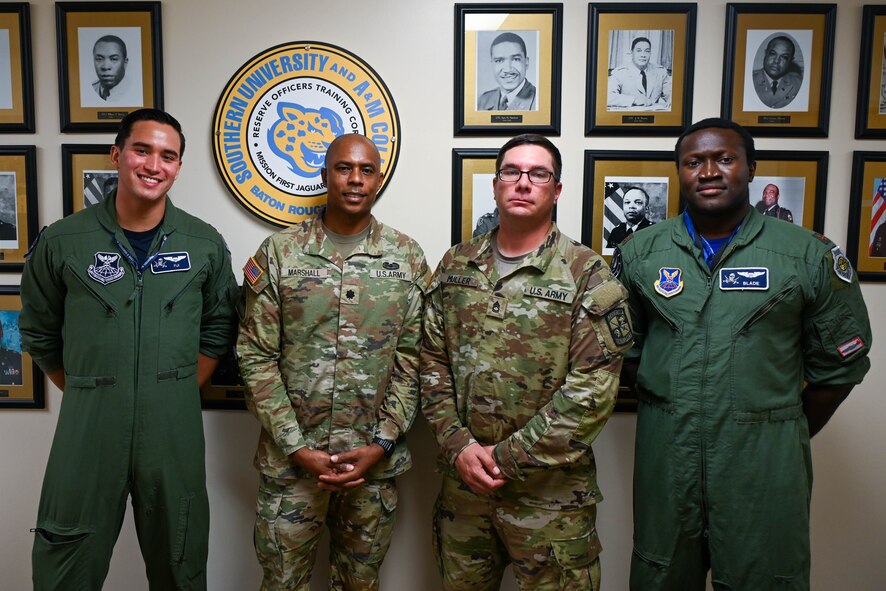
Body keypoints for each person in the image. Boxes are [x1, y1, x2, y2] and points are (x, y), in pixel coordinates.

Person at [614, 118, 872, 590]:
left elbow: (840, 366)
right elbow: (624, 351)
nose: (708, 171)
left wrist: (777, 428)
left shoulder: (806, 255)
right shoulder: (640, 254)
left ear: (751, 168)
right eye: (694, 162)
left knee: (764, 580)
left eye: (724, 159)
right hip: (668, 460)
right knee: (661, 577)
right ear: (679, 173)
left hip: (764, 466)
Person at [20, 108, 238, 590]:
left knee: (180, 561)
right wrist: (87, 386)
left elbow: (219, 329)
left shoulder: (203, 245)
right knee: (66, 565)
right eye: (142, 150)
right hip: (89, 426)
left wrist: (176, 389)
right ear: (117, 155)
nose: (153, 165)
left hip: (172, 430)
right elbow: (36, 330)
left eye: (168, 156)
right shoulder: (64, 241)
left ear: (178, 167)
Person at [422, 134, 632, 590]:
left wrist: (506, 458)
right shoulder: (457, 265)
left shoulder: (587, 273)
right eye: (511, 172)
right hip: (465, 492)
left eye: (538, 174)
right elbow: (430, 362)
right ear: (496, 185)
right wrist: (458, 446)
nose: (523, 182)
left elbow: (591, 391)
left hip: (550, 499)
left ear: (556, 190)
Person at [237, 133, 429, 591]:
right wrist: (296, 446)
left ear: (379, 179)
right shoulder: (279, 253)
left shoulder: (406, 257)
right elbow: (255, 356)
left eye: (366, 170)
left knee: (359, 585)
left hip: (372, 467)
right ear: (325, 175)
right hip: (291, 468)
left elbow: (413, 362)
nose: (355, 180)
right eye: (344, 168)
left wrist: (380, 444)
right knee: (283, 585)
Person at [607, 36, 672, 109]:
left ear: (650, 53)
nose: (643, 55)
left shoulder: (660, 72)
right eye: (638, 50)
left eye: (647, 51)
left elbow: (672, 97)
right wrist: (634, 100)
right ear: (631, 53)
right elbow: (608, 97)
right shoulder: (619, 73)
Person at [477, 32, 537, 111]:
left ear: (526, 63)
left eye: (516, 59)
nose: (508, 69)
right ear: (492, 64)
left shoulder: (539, 101)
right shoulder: (483, 100)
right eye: (499, 61)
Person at [752, 36, 803, 109]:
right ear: (766, 53)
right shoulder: (748, 81)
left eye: (784, 57)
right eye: (773, 53)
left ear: (790, 60)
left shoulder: (799, 83)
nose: (776, 61)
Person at [90, 35, 139, 105]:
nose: (106, 67)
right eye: (99, 59)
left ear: (125, 62)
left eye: (114, 59)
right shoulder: (91, 89)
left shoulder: (135, 91)